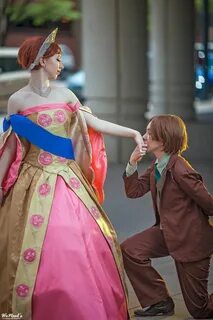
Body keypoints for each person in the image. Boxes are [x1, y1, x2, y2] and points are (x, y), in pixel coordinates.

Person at [0, 28, 144, 320]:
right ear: (41, 61)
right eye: (57, 58)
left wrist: (132, 132)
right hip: (30, 184)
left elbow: (94, 123)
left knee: (78, 242)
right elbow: (11, 151)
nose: (62, 65)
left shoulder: (66, 95)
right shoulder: (17, 101)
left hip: (68, 181)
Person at [121, 114, 213, 318]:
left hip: (191, 242)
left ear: (163, 140)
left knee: (200, 310)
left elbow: (208, 203)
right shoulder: (157, 165)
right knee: (130, 250)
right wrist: (132, 162)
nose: (144, 137)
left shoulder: (180, 169)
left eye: (149, 133)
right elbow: (134, 190)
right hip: (168, 233)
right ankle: (159, 301)